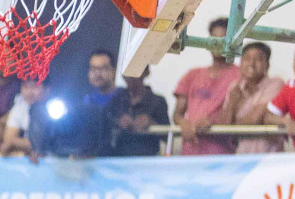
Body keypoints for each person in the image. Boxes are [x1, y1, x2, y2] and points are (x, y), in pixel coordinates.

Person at [173, 17, 242, 155]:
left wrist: (213, 122)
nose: (217, 43)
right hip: (188, 154)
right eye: (214, 38)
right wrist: (184, 124)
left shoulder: (240, 75)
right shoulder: (192, 75)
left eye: (222, 39)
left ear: (232, 42)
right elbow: (177, 115)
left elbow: (240, 114)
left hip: (220, 156)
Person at [217, 41, 285, 154]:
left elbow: (255, 119)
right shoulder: (235, 87)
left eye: (258, 59)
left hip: (269, 158)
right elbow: (224, 127)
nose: (251, 64)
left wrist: (232, 126)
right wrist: (232, 104)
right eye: (247, 59)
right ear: (240, 63)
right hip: (241, 158)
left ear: (267, 65)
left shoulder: (276, 84)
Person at [109, 68, 170, 157]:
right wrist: (119, 123)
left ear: (145, 72)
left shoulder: (157, 101)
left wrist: (152, 124)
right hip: (120, 157)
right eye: (127, 73)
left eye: (135, 72)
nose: (131, 77)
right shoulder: (116, 100)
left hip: (147, 158)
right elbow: (106, 130)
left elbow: (168, 135)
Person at [0, 78, 45, 158]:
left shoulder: (53, 108)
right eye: (25, 87)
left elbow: (42, 144)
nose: (29, 92)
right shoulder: (20, 105)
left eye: (35, 87)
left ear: (47, 89)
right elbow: (8, 140)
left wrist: (14, 143)